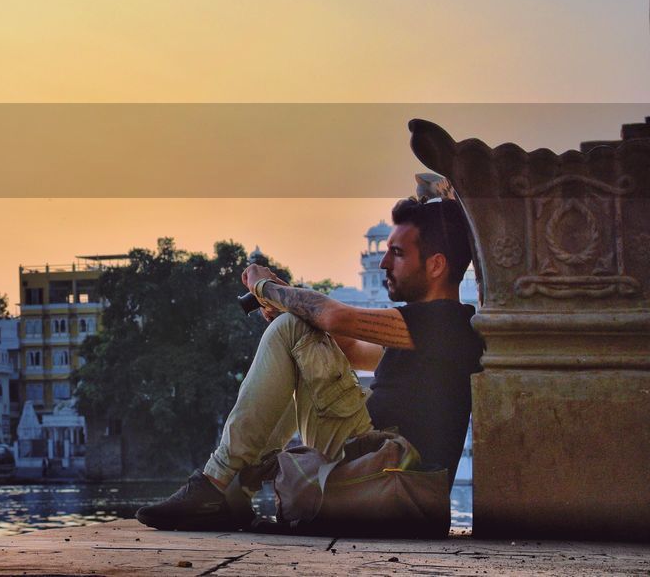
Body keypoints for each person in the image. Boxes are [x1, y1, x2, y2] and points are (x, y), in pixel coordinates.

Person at [135, 197, 484, 531]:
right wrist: (290, 304)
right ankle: (233, 489)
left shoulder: (443, 323)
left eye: (397, 253)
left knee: (292, 328)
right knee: (295, 332)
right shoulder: (435, 334)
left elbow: (332, 318)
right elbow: (342, 346)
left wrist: (265, 287)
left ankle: (217, 483)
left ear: (436, 265)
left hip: (389, 473)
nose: (383, 263)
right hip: (380, 470)